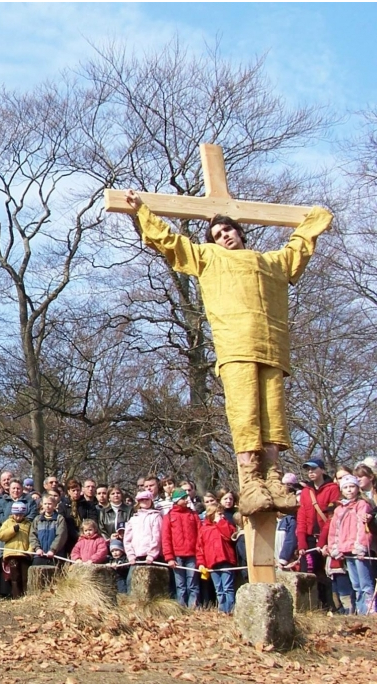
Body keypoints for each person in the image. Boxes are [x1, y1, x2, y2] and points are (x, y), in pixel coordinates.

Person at [127, 190, 332, 516]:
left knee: (273, 417)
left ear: (240, 232)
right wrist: (142, 212)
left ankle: (274, 478)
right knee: (245, 415)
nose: (224, 237)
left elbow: (297, 248)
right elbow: (171, 242)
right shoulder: (209, 256)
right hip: (236, 346)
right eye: (218, 234)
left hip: (273, 348)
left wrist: (316, 219)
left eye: (228, 230)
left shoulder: (270, 262)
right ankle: (250, 481)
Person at [324, 475, 373, 614]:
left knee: (365, 583)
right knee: (356, 584)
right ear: (341, 490)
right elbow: (334, 531)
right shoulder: (339, 509)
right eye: (345, 487)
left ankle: (368, 610)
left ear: (357, 488)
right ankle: (360, 610)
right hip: (345, 550)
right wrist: (335, 548)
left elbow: (363, 528)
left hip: (358, 549)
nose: (349, 490)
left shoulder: (362, 505)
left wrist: (361, 546)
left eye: (352, 487)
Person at [297, 458, 339, 609]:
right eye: (308, 470)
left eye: (314, 469)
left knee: (324, 573)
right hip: (308, 537)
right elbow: (301, 517)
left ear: (322, 470)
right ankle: (308, 607)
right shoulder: (305, 492)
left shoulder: (332, 489)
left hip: (326, 537)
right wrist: (301, 541)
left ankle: (329, 606)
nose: (311, 472)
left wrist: (322, 541)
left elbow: (331, 517)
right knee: (306, 572)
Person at [162, 488, 200, 609]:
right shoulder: (169, 516)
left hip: (192, 554)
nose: (186, 500)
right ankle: (181, 608)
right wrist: (169, 557)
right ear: (176, 500)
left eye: (186, 498)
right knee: (180, 584)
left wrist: (200, 554)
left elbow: (200, 535)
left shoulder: (193, 515)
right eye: (183, 498)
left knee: (193, 583)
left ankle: (193, 608)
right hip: (177, 556)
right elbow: (166, 538)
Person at [197, 503, 238, 613]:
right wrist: (201, 563)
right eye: (218, 514)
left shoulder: (225, 524)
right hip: (212, 562)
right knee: (219, 589)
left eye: (222, 514)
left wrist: (220, 522)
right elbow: (200, 548)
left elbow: (230, 535)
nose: (221, 516)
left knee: (227, 587)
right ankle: (222, 610)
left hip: (226, 560)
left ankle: (230, 610)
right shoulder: (204, 529)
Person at [124, 491, 163, 580]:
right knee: (131, 581)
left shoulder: (156, 516)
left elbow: (157, 537)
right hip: (136, 558)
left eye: (147, 499)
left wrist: (152, 555)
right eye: (141, 500)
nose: (144, 501)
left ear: (151, 500)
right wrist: (130, 555)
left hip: (152, 558)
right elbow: (127, 539)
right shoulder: (133, 518)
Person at [0, 501, 33, 598]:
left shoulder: (28, 524)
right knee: (15, 577)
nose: (18, 517)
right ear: (13, 513)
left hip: (24, 554)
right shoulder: (7, 523)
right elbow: (0, 536)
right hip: (11, 554)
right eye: (16, 514)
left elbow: (32, 539)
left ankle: (25, 596)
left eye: (21, 515)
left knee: (25, 577)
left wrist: (29, 552)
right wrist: (13, 530)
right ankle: (16, 596)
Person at [30, 496, 67, 567]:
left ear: (54, 505)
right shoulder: (37, 519)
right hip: (39, 555)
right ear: (42, 505)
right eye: (45, 504)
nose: (47, 506)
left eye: (50, 504)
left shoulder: (59, 519)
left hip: (55, 555)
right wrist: (37, 549)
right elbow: (33, 535)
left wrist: (53, 550)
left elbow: (61, 536)